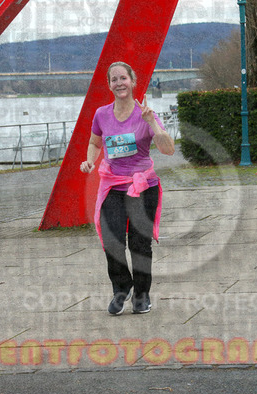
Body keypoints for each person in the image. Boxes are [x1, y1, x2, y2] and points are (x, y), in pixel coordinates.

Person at [80, 61, 175, 315]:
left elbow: (168, 149)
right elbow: (95, 143)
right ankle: (121, 289)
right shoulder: (101, 114)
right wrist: (90, 161)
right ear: (109, 85)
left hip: (143, 187)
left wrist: (152, 123)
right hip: (113, 186)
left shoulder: (145, 113)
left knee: (139, 243)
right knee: (111, 240)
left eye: (123, 78)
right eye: (114, 79)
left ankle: (142, 295)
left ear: (132, 82)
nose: (119, 83)